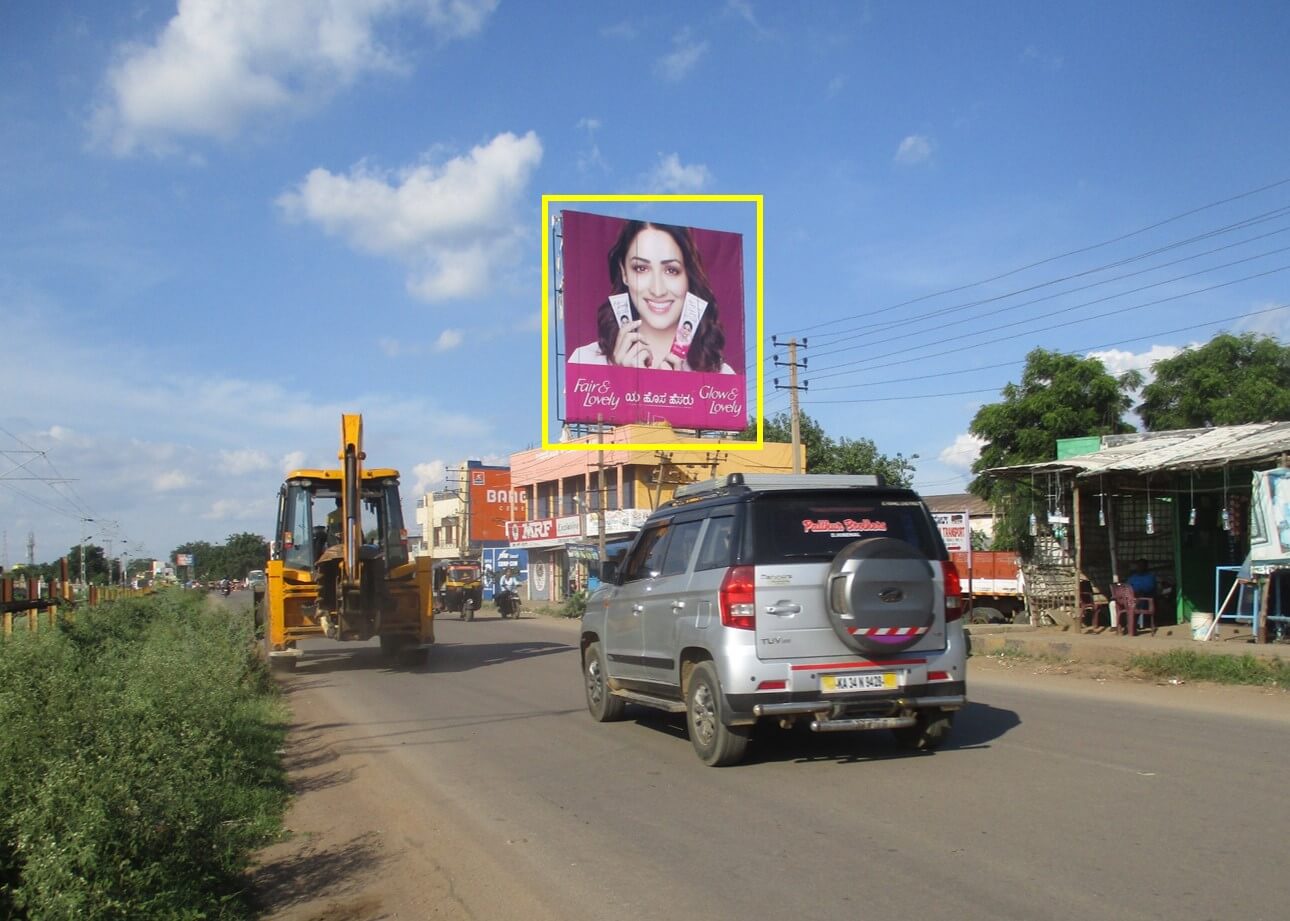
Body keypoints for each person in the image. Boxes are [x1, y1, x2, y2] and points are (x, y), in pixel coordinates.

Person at [568, 220, 735, 373]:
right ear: (624, 273)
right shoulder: (585, 362)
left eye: (671, 270)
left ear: (688, 277)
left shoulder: (721, 374)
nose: (657, 290)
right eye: (641, 268)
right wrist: (621, 380)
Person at [1126, 559, 1157, 629]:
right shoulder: (1133, 577)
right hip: (1132, 597)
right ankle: (1129, 623)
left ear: (1146, 567)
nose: (1140, 567)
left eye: (1142, 565)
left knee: (1139, 602)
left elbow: (1150, 588)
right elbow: (1127, 587)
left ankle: (1137, 624)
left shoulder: (1150, 577)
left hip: (1146, 597)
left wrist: (1140, 592)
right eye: (1139, 565)